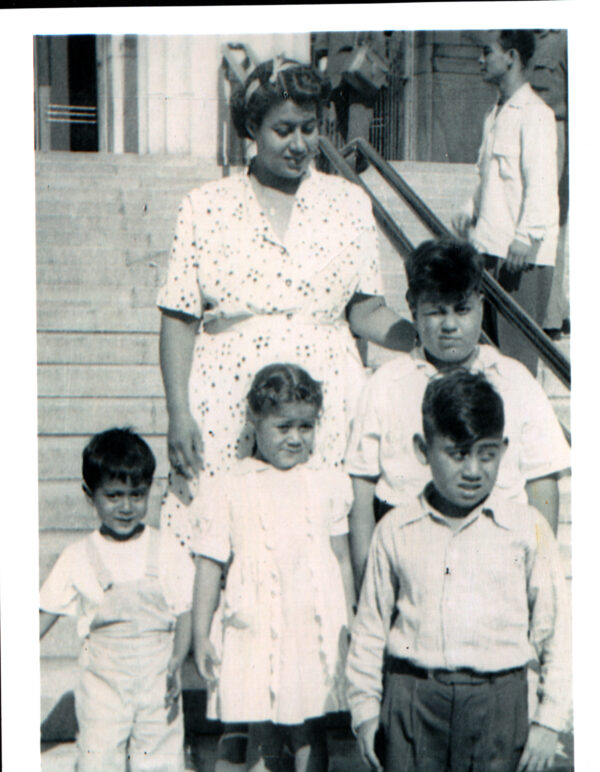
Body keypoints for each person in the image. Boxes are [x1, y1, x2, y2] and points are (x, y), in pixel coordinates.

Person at [157, 56, 412, 568]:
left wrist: (420, 337)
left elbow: (365, 310)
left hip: (325, 399)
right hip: (228, 399)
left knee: (318, 544)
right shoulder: (204, 204)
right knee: (221, 540)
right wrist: (178, 413)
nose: (299, 144)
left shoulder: (348, 201)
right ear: (252, 127)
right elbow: (179, 317)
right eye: (283, 130)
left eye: (309, 128)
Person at [346, 370, 570, 771]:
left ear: (503, 449)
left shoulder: (527, 528)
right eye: (457, 453)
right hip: (413, 701)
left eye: (486, 454)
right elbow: (370, 627)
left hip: (500, 703)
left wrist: (550, 720)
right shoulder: (395, 530)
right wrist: (364, 709)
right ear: (423, 449)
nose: (473, 471)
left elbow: (556, 631)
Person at [344, 238, 570, 583]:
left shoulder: (514, 380)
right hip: (409, 561)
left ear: (481, 305)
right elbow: (361, 494)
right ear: (413, 308)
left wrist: (538, 573)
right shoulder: (386, 384)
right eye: (436, 311)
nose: (449, 325)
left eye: (462, 310)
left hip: (497, 557)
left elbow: (543, 485)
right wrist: (365, 582)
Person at [191, 364, 355, 772]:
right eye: (283, 427)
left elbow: (342, 560)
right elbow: (210, 563)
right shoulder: (230, 485)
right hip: (256, 621)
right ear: (255, 419)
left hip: (310, 622)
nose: (296, 438)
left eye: (306, 426)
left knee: (309, 720)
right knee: (250, 717)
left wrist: (349, 623)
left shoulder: (327, 482)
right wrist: (199, 631)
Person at [39, 428, 193, 772]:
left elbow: (184, 610)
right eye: (114, 496)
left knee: (161, 759)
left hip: (159, 679)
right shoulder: (78, 556)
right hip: (103, 684)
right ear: (89, 495)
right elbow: (44, 613)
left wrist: (178, 660)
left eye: (136, 495)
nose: (126, 506)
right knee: (99, 754)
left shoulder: (167, 549)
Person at [453, 30, 559, 376]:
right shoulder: (495, 114)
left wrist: (527, 235)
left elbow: (542, 181)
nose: (481, 60)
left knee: (517, 365)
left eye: (488, 52)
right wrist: (471, 208)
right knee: (490, 362)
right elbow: (489, 178)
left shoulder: (535, 113)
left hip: (520, 258)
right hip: (490, 248)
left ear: (511, 56)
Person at [527, 29, 569, 338]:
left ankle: (550, 314)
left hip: (555, 130)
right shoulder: (523, 35)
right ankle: (546, 309)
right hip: (525, 127)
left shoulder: (564, 37)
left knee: (549, 219)